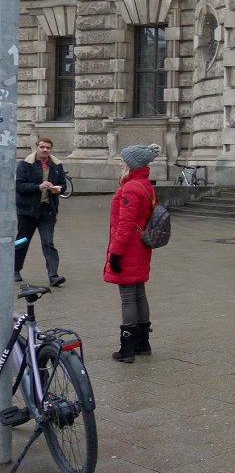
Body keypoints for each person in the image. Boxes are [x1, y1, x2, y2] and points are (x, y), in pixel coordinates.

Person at [104, 143, 161, 364]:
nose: (120, 163)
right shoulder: (145, 184)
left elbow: (125, 226)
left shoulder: (130, 189)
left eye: (123, 160)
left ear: (132, 164)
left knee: (128, 297)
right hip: (142, 248)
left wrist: (115, 254)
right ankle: (143, 344)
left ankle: (126, 349)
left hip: (129, 249)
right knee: (139, 293)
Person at [14, 137, 67, 286]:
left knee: (48, 242)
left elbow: (63, 185)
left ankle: (53, 276)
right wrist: (38, 186)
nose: (45, 150)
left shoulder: (57, 165)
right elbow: (19, 186)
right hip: (27, 211)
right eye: (42, 147)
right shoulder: (25, 164)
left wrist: (58, 189)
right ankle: (15, 270)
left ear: (51, 150)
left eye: (48, 148)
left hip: (47, 211)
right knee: (22, 241)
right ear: (36, 147)